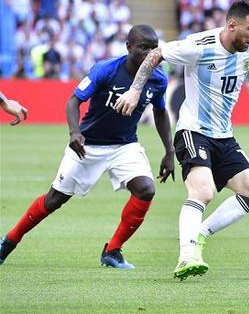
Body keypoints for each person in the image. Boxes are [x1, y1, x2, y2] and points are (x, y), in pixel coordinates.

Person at [113, 0, 249, 279]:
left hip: (224, 135)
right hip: (193, 130)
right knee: (203, 192)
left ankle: (200, 232)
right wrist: (134, 91)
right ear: (231, 25)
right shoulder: (199, 46)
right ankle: (186, 255)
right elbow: (155, 55)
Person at [0, 25, 175, 269]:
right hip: (88, 145)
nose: (149, 53)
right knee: (54, 200)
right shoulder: (106, 69)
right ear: (129, 47)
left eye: (153, 48)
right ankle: (9, 241)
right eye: (143, 47)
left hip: (125, 146)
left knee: (146, 189)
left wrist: (169, 151)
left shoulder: (158, 78)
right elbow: (73, 101)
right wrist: (75, 132)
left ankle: (113, 251)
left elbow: (160, 112)